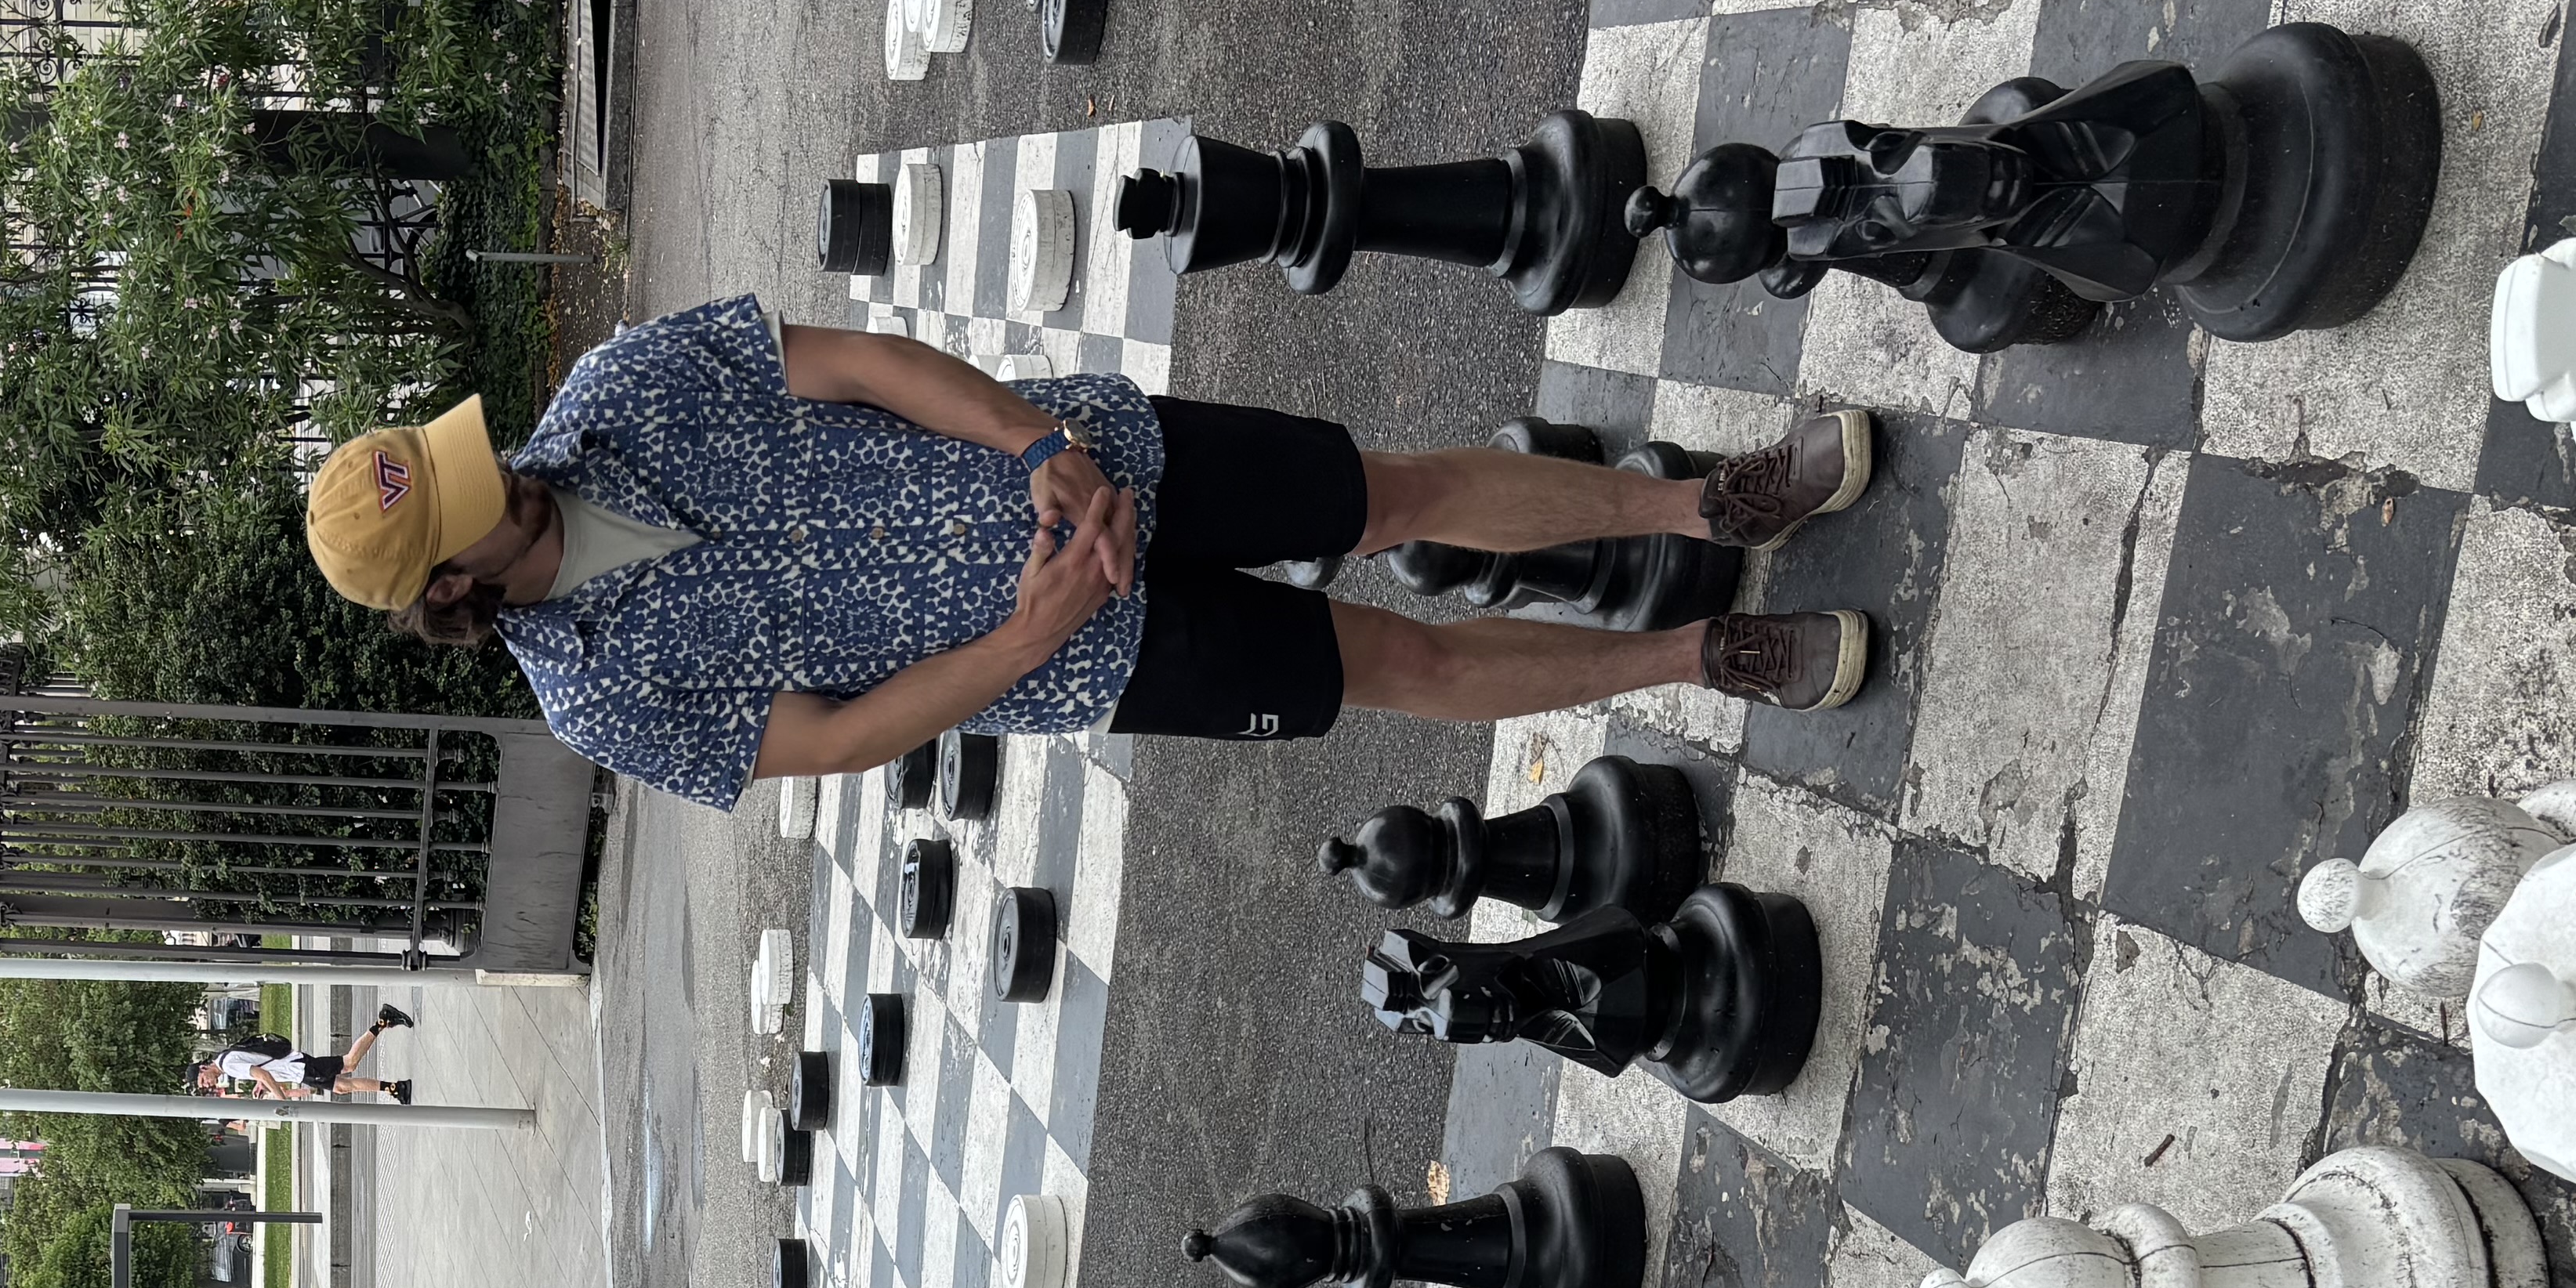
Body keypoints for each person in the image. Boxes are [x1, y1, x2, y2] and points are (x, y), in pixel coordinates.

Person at [296, 304, 1879, 810]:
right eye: (460, 502)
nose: (492, 471)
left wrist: (1040, 449)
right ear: (451, 590)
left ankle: (1710, 511)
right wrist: (1034, 626)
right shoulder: (599, 698)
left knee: (1391, 496)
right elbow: (842, 740)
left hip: (1101, 458)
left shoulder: (614, 391)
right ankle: (1700, 660)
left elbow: (854, 364)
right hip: (1089, 649)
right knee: (1405, 664)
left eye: (455, 452)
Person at [198, 1005, 415, 1104]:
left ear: (203, 1068)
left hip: (298, 1068)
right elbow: (259, 1067)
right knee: (341, 1087)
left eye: (202, 1081)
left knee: (349, 1063)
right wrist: (261, 1083)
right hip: (296, 1068)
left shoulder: (227, 1066)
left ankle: (384, 1020)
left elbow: (264, 1075)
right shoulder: (225, 1057)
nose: (207, 1084)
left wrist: (282, 1100)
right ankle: (395, 1089)